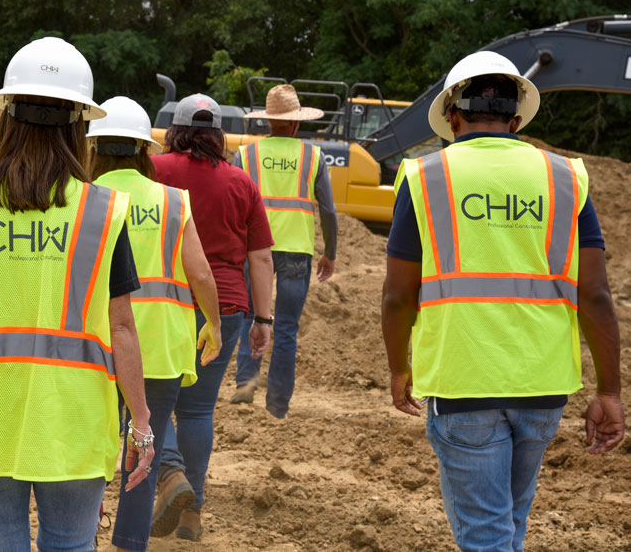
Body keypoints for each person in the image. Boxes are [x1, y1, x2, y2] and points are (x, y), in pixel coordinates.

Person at [0, 37, 154, 552]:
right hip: (73, 422)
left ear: (7, 118)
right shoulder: (100, 213)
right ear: (79, 127)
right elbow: (123, 328)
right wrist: (143, 424)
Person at [381, 51, 624, 551]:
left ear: (452, 115)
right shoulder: (565, 177)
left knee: (487, 534)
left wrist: (398, 367)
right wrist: (610, 391)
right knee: (508, 523)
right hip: (543, 385)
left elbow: (397, 297)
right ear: (515, 120)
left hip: (463, 379)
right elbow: (596, 296)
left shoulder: (425, 176)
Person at [85, 96, 223, 552]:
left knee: (92, 450)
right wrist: (215, 325)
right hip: (160, 345)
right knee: (144, 453)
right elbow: (201, 272)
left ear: (95, 148)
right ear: (146, 150)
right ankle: (128, 543)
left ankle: (79, 535)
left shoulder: (86, 200)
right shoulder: (171, 200)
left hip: (96, 345)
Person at [149, 93, 275, 541]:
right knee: (198, 410)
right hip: (225, 306)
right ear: (219, 134)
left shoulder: (154, 171)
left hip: (163, 302)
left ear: (174, 131)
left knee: (148, 401)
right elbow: (261, 259)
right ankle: (191, 515)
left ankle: (168, 475)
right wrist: (264, 319)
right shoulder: (242, 182)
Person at [231, 84, 338, 417]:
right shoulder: (313, 156)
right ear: (295, 123)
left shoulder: (245, 155)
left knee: (252, 315)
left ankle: (245, 386)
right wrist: (330, 252)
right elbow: (329, 211)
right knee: (287, 327)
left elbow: (234, 207)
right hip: (296, 250)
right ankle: (277, 404)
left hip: (252, 249)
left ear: (269, 122)